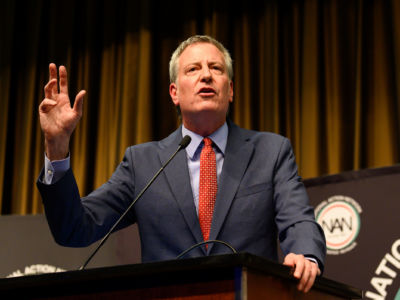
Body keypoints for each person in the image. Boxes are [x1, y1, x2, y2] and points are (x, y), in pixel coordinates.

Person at [37, 35, 326, 293]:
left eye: (216, 68)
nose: (206, 76)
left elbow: (298, 218)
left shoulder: (271, 151)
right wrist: (57, 147)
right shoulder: (142, 162)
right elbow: (75, 229)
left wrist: (305, 255)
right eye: (193, 69)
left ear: (231, 89)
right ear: (174, 93)